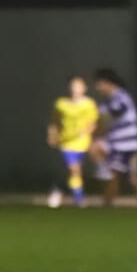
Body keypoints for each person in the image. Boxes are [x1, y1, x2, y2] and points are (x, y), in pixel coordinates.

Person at [92, 68, 137, 208]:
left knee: (113, 174)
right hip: (131, 144)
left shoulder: (119, 97)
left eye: (99, 84)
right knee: (132, 177)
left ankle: (107, 203)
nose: (98, 88)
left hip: (124, 145)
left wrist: (99, 126)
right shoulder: (117, 99)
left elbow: (112, 114)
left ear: (107, 82)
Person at [47, 75, 99, 208]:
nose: (75, 89)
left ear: (84, 88)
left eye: (78, 86)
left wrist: (86, 132)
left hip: (83, 142)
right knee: (74, 169)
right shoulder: (61, 104)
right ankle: (79, 199)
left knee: (73, 172)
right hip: (67, 142)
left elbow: (93, 123)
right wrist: (52, 135)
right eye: (73, 86)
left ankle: (58, 190)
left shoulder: (89, 104)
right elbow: (55, 121)